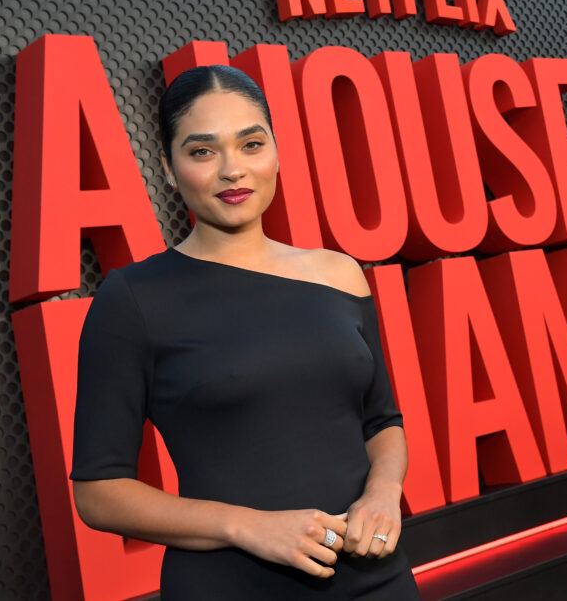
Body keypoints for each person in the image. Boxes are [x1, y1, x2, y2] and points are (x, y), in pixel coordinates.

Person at [68, 65, 421, 599]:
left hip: (377, 579)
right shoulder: (133, 299)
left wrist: (383, 492)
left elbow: (382, 422)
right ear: (168, 168)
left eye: (251, 144)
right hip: (230, 586)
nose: (233, 169)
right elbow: (98, 492)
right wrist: (247, 526)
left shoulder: (340, 273)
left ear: (275, 151)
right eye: (203, 151)